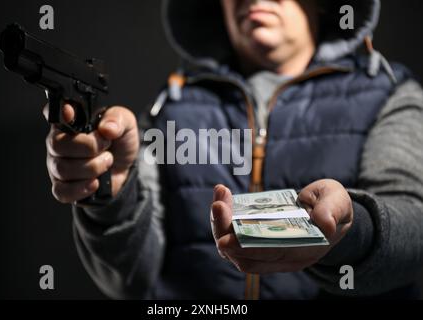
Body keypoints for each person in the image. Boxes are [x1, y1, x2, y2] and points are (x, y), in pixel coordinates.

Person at [45, 0, 423, 299]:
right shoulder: (169, 109)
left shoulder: (390, 94)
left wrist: (350, 229)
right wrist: (113, 196)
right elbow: (128, 280)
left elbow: (414, 230)